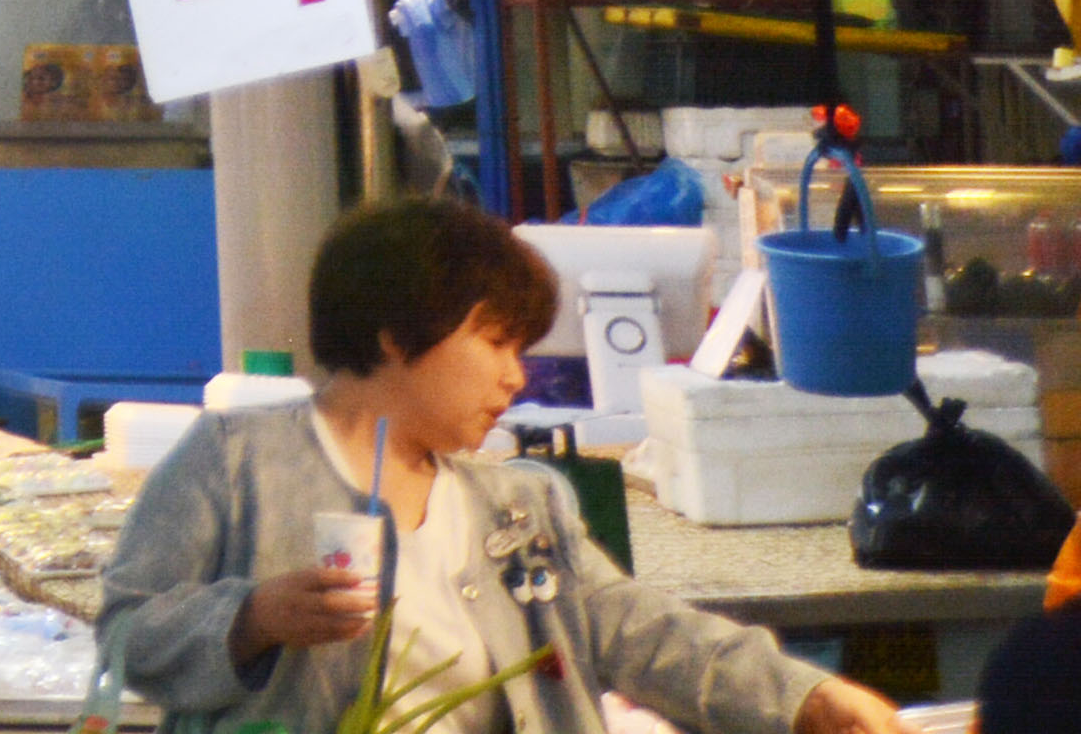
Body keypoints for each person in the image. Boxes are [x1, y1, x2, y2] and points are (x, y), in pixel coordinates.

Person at [98, 198, 907, 734]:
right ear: (395, 331)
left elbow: (634, 629)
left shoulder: (518, 502)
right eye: (495, 342)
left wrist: (802, 697)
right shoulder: (235, 463)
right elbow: (124, 635)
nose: (515, 377)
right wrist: (250, 620)